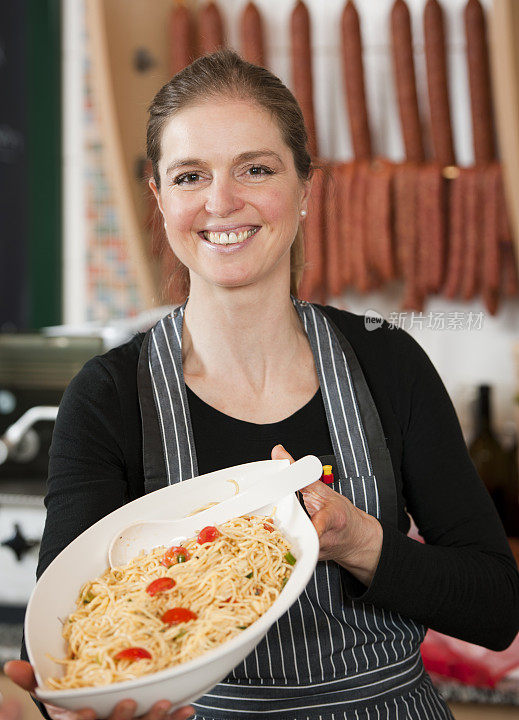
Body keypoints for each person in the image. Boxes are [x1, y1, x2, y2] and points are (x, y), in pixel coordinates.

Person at [5, 48, 519, 720]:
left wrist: (356, 541)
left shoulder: (386, 363)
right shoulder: (107, 398)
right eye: (190, 176)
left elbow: (495, 608)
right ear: (159, 199)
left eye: (255, 168)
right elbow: (64, 634)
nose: (221, 201)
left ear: (305, 186)